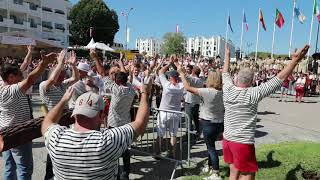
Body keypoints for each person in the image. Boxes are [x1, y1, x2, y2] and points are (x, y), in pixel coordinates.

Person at [222, 44, 309, 180]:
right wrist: (295, 61)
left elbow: (225, 72)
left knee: (233, 172)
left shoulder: (227, 89)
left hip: (227, 139)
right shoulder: (253, 93)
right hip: (242, 143)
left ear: (236, 79)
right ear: (252, 82)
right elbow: (278, 79)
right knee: (247, 174)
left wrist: (227, 55)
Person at [41, 76, 152, 179]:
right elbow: (140, 124)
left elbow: (47, 122)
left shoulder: (56, 138)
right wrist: (144, 93)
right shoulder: (107, 141)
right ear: (101, 115)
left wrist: (63, 100)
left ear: (74, 113)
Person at [0, 52, 55, 180]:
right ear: (11, 77)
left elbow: (26, 74)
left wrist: (29, 53)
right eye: (19, 76)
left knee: (10, 166)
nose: (22, 78)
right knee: (24, 169)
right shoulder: (11, 91)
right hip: (17, 135)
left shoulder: (3, 85)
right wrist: (44, 63)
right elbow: (30, 79)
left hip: (6, 132)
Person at [91, 50, 136, 179]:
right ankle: (126, 173)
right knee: (125, 150)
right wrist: (121, 63)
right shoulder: (131, 90)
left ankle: (116, 174)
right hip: (126, 123)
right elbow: (124, 75)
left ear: (116, 80)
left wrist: (95, 58)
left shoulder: (115, 89)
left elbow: (102, 73)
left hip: (113, 124)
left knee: (114, 150)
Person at [39, 50, 79, 180]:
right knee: (52, 153)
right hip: (52, 124)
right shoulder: (44, 85)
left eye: (63, 74)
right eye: (61, 74)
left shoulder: (62, 85)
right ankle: (49, 177)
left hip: (65, 122)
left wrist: (73, 66)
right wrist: (60, 64)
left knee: (62, 152)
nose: (63, 77)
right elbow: (51, 79)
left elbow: (76, 78)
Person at [178, 67, 224, 180]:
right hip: (218, 123)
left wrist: (182, 75)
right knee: (210, 146)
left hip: (209, 123)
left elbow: (187, 87)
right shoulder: (222, 92)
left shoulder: (207, 91)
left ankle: (216, 173)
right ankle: (209, 166)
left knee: (211, 149)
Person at [155, 55, 184, 158]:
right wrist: (175, 63)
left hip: (164, 113)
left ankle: (157, 154)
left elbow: (160, 72)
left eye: (169, 76)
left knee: (160, 135)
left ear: (171, 78)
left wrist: (169, 63)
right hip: (176, 114)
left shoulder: (167, 85)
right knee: (173, 134)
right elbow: (183, 75)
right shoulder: (181, 86)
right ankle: (173, 154)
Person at [183, 66, 204, 138]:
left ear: (193, 72)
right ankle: (198, 132)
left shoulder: (193, 80)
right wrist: (200, 68)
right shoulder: (201, 79)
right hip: (197, 102)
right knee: (195, 119)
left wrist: (181, 70)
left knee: (188, 119)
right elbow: (202, 73)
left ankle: (188, 136)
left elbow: (185, 76)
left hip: (190, 102)